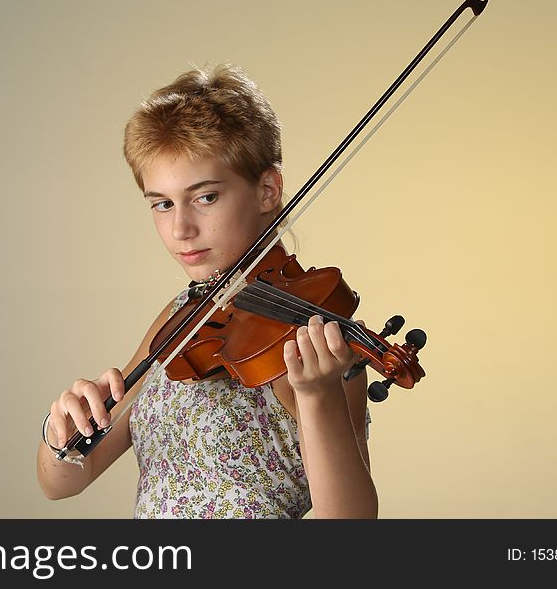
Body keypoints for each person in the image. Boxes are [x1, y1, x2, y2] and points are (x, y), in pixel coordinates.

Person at [36, 64, 377, 518]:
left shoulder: (314, 334)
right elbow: (62, 482)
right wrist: (63, 429)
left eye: (206, 197)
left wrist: (318, 395)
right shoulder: (184, 315)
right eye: (162, 203)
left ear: (267, 190)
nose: (180, 228)